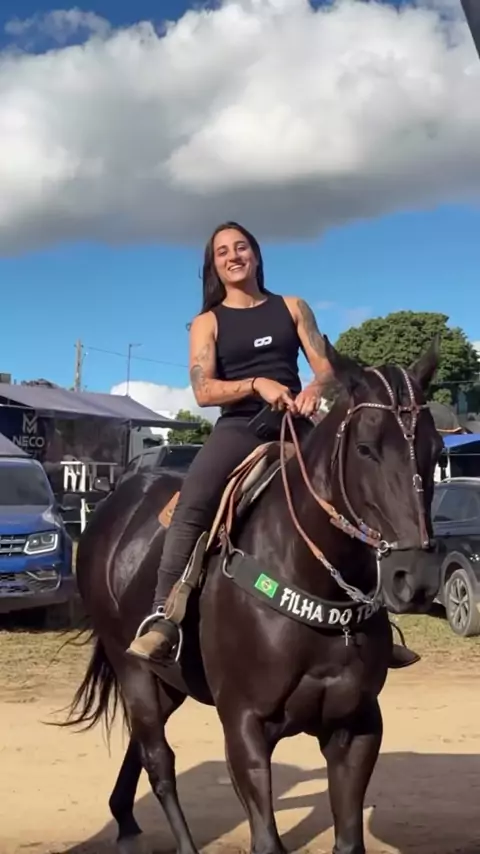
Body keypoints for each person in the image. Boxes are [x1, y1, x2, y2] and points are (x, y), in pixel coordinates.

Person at [127, 221, 419, 670]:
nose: (233, 256)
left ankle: (374, 614)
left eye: (241, 247)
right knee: (194, 501)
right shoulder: (208, 322)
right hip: (240, 427)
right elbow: (204, 390)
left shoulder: (293, 307)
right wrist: (256, 384)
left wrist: (314, 389)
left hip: (298, 423)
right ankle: (164, 616)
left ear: (256, 254)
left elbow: (325, 367)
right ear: (214, 266)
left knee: (355, 490)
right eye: (223, 251)